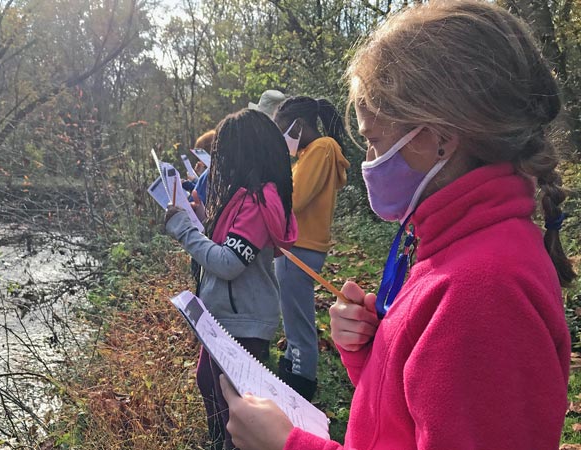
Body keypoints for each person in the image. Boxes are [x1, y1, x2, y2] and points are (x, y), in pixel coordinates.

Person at [219, 1, 576, 449]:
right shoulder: (450, 246)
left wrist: (287, 446)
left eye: (373, 140)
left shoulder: (483, 290)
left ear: (440, 137)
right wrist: (374, 351)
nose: (370, 161)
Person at [164, 108, 298, 450]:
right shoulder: (245, 197)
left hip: (244, 322)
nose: (215, 163)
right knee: (208, 381)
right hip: (224, 317)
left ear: (240, 154)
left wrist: (184, 232)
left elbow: (228, 262)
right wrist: (199, 218)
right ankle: (222, 442)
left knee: (236, 405)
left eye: (221, 154)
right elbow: (229, 242)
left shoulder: (256, 201)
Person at [272, 96, 350, 401]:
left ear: (299, 125)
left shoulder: (321, 149)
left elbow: (295, 199)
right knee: (293, 322)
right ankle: (291, 374)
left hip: (299, 248)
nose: (282, 139)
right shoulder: (312, 153)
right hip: (300, 248)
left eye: (283, 131)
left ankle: (300, 390)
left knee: (299, 327)